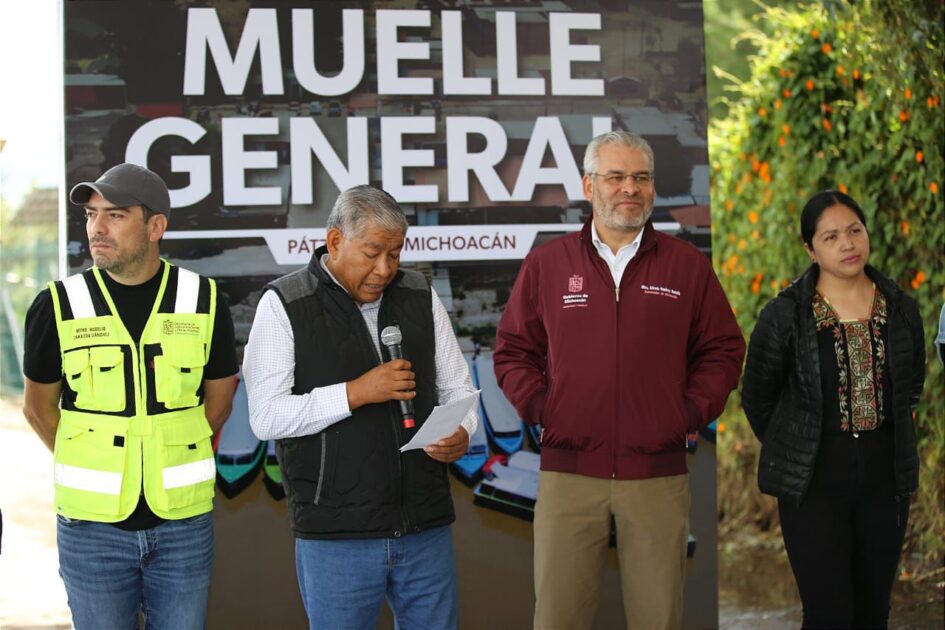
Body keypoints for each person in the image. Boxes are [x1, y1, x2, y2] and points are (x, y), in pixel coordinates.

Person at [494, 130, 745, 629]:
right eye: (615, 177)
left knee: (659, 619)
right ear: (590, 186)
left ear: (652, 188)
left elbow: (723, 349)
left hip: (657, 476)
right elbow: (514, 351)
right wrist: (545, 409)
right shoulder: (548, 264)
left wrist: (688, 412)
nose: (629, 188)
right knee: (558, 619)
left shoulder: (686, 267)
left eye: (641, 177)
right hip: (568, 475)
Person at [242, 185, 478, 630]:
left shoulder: (418, 293)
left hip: (423, 525)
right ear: (335, 242)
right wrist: (354, 393)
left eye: (394, 254)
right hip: (337, 534)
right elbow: (266, 416)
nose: (385, 269)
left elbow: (458, 388)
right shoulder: (286, 304)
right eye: (372, 253)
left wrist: (462, 431)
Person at [21, 163, 238, 630]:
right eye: (92, 215)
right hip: (91, 530)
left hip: (182, 525)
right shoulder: (58, 304)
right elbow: (38, 410)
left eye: (115, 215)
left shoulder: (204, 299)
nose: (97, 227)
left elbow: (220, 402)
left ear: (156, 226)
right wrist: (99, 460)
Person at [742, 190, 926, 629]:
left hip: (885, 479)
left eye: (854, 231)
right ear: (810, 249)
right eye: (831, 237)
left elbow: (910, 387)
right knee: (828, 614)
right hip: (813, 483)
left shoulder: (900, 308)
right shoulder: (785, 315)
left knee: (873, 611)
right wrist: (797, 443)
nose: (847, 244)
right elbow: (758, 397)